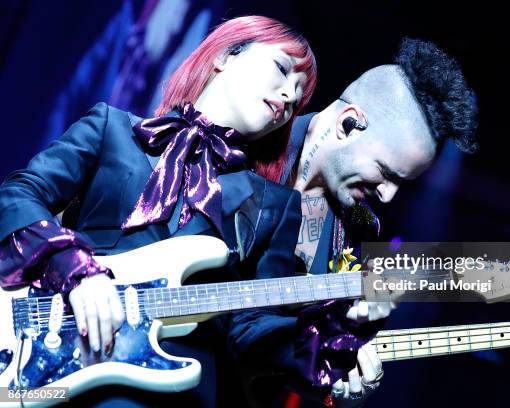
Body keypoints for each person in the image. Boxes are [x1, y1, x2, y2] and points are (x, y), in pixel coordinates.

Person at [0, 15, 347, 407]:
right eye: (282, 71)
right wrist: (77, 271)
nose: (288, 97)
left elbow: (253, 329)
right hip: (55, 359)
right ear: (226, 56)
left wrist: (327, 344)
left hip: (175, 390)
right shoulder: (111, 129)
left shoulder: (276, 205)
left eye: (298, 97)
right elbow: (18, 196)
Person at [240, 37, 480, 407]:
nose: (388, 195)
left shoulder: (353, 241)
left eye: (403, 183)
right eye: (386, 173)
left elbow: (285, 362)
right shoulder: (243, 145)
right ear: (348, 123)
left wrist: (341, 384)